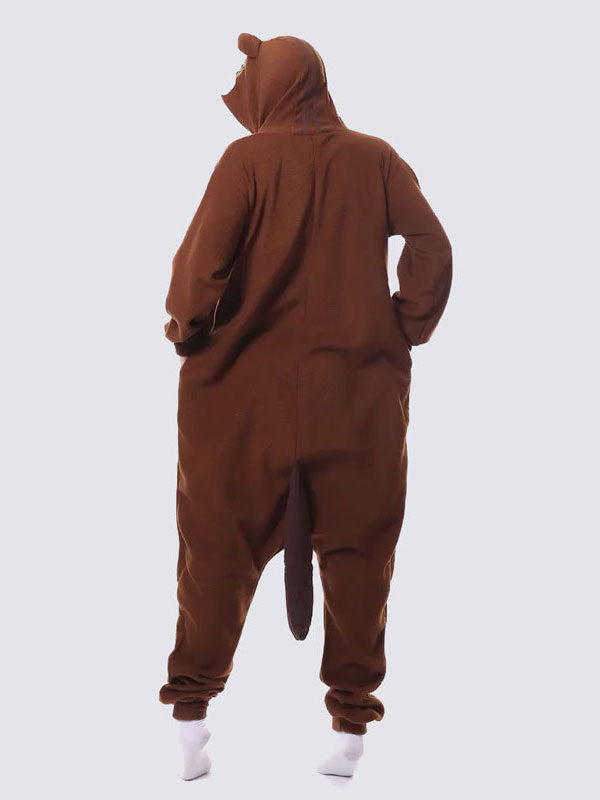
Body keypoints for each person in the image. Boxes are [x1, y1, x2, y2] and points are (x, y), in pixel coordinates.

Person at [159, 32, 452, 780]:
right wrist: (404, 326)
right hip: (358, 399)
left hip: (240, 401)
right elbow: (431, 245)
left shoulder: (245, 162)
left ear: (274, 84)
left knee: (216, 550)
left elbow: (198, 272)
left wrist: (189, 333)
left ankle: (190, 718)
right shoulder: (376, 159)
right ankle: (351, 730)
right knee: (360, 554)